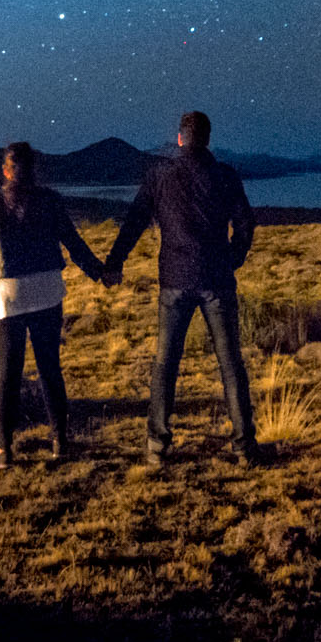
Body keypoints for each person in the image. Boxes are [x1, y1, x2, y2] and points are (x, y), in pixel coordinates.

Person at [102, 110, 265, 466]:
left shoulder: (161, 176)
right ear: (207, 139)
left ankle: (157, 447)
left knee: (166, 363)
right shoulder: (224, 175)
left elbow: (134, 222)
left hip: (174, 281)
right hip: (217, 280)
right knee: (231, 363)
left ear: (180, 139)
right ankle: (244, 447)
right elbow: (246, 223)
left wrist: (114, 263)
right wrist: (232, 257)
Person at [0, 141, 111, 468]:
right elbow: (73, 242)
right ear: (33, 170)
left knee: (8, 375)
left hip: (8, 295)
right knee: (50, 369)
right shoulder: (49, 199)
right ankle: (60, 442)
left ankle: (4, 450)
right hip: (47, 291)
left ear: (6, 171)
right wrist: (100, 272)